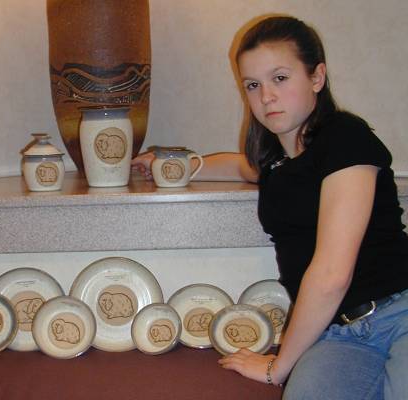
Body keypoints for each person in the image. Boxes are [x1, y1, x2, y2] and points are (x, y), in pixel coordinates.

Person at [132, 16, 408, 399]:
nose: (266, 96)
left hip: (400, 312)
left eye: (280, 78)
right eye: (253, 85)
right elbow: (238, 166)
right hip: (337, 333)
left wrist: (277, 367)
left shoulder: (347, 138)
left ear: (317, 77)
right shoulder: (276, 162)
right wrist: (174, 163)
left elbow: (332, 276)